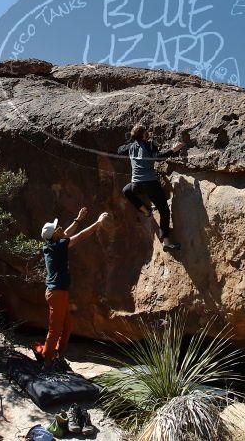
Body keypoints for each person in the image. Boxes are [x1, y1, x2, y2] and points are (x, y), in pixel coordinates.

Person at [39, 206, 108, 369]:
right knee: (55, 329)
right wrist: (98, 223)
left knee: (67, 325)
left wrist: (78, 218)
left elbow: (66, 233)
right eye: (57, 228)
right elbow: (81, 236)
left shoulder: (50, 245)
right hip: (57, 293)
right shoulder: (58, 247)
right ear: (54, 234)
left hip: (57, 292)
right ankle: (47, 362)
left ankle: (59, 356)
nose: (60, 228)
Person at [117, 123, 184, 251]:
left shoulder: (130, 147)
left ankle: (146, 211)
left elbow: (119, 150)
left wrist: (132, 140)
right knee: (164, 211)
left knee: (126, 191)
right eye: (146, 132)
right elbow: (158, 158)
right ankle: (166, 242)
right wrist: (173, 150)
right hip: (150, 184)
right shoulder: (150, 145)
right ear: (143, 135)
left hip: (136, 185)